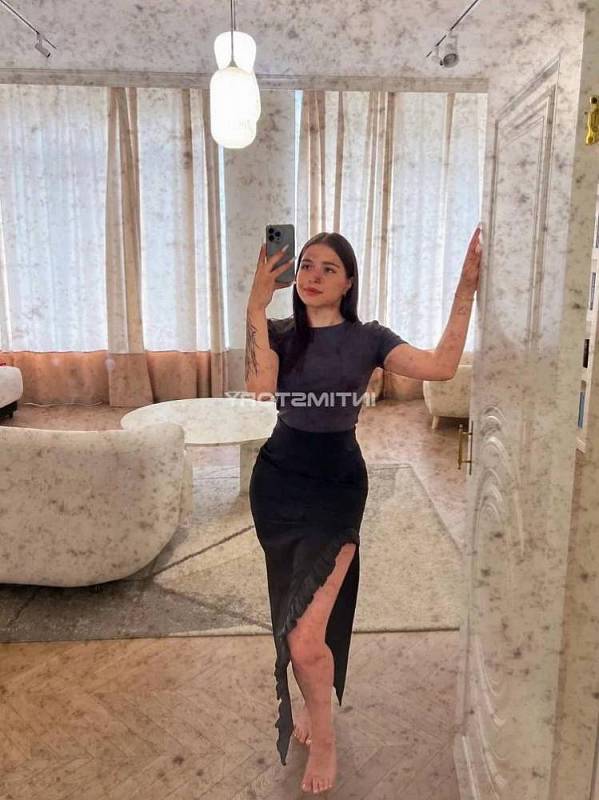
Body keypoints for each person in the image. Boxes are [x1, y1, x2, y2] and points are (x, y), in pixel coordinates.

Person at [244, 229, 481, 795]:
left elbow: (442, 366)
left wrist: (467, 287)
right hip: (277, 485)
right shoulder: (280, 333)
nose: (312, 275)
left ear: (348, 282)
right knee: (294, 620)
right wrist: (255, 305)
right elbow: (259, 389)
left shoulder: (368, 338)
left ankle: (324, 737)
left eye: (328, 268)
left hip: (336, 489)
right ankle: (312, 706)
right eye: (305, 264)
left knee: (306, 637)